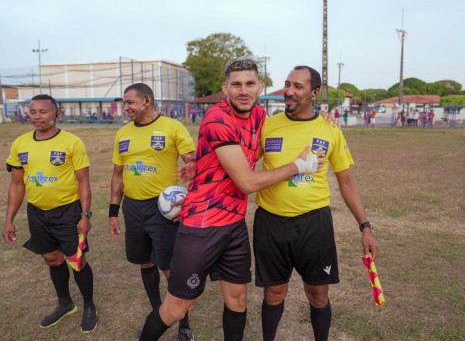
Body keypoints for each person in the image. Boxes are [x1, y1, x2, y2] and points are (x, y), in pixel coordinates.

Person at [139, 57, 322, 341]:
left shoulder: (261, 117)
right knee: (175, 308)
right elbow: (247, 181)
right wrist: (298, 167)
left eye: (250, 84)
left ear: (260, 87)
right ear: (225, 89)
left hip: (235, 225)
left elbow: (251, 150)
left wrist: (323, 119)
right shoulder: (217, 118)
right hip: (203, 225)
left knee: (237, 301)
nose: (243, 90)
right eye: (236, 85)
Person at [253, 66, 379, 341]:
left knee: (318, 295)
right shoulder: (268, 125)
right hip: (270, 222)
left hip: (314, 224)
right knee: (273, 293)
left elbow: (346, 182)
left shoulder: (329, 128)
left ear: (314, 93)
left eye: (298, 86)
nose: (289, 91)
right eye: (287, 84)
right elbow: (244, 166)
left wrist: (365, 226)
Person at [108, 83, 196, 341]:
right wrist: (113, 212)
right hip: (133, 209)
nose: (126, 108)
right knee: (145, 262)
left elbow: (193, 165)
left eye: (130, 102)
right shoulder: (122, 134)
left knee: (170, 269)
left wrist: (190, 200)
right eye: (124, 103)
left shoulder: (172, 127)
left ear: (146, 100)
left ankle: (183, 323)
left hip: (163, 210)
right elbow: (116, 176)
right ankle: (157, 314)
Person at [3, 94, 97, 333]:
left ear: (57, 113)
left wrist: (85, 215)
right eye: (33, 112)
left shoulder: (72, 142)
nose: (37, 117)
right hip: (37, 213)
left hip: (68, 212)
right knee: (52, 259)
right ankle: (65, 303)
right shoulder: (20, 144)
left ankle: (89, 306)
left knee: (77, 261)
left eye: (43, 112)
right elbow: (17, 184)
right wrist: (9, 220)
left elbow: (84, 183)